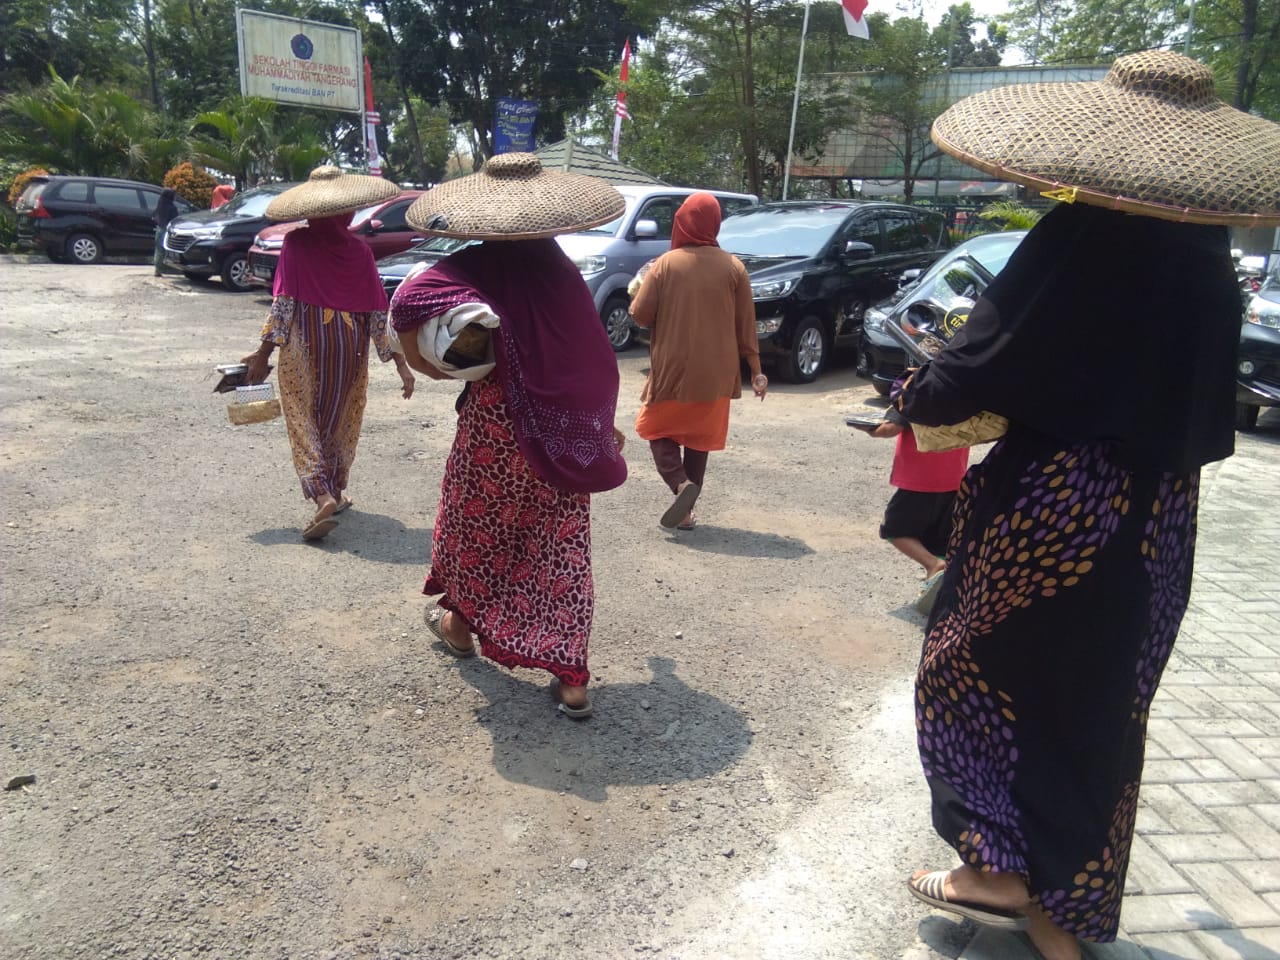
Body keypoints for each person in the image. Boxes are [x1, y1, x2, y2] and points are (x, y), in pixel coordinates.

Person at [895, 51, 1280, 960]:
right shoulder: (1209, 266)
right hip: (1158, 519)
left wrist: (920, 405)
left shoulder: (1082, 238)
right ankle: (1061, 923)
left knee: (970, 670)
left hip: (1056, 505)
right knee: (1102, 707)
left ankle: (995, 861)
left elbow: (980, 361)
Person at [390, 153, 628, 719]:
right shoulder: (562, 273)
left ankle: (458, 625)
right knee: (559, 547)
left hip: (497, 430)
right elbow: (593, 360)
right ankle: (571, 679)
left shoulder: (472, 266)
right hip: (563, 437)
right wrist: (598, 425)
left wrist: (428, 364)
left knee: (476, 529)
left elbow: (405, 302)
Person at [241, 166, 416, 541]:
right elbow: (375, 313)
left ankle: (321, 493)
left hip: (305, 339)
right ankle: (335, 489)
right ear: (346, 212)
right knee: (341, 413)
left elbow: (283, 306)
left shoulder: (296, 244)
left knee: (302, 416)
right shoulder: (360, 251)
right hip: (349, 342)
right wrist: (400, 362)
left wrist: (262, 354)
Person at [628, 192, 765, 531]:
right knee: (698, 438)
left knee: (654, 427)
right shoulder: (735, 267)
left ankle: (680, 485)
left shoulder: (665, 264)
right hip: (719, 372)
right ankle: (686, 513)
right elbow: (746, 325)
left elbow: (641, 316)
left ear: (682, 222)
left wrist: (639, 289)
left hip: (674, 369)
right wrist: (757, 372)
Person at [863, 408, 967, 614]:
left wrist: (870, 428)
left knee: (894, 530)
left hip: (919, 479)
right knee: (938, 536)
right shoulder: (965, 392)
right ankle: (941, 587)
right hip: (954, 476)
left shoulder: (916, 392)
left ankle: (933, 566)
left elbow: (890, 429)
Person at [153, 187, 178, 277]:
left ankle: (157, 269)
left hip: (159, 229)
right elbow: (175, 220)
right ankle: (162, 268)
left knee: (158, 250)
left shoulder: (160, 205)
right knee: (163, 250)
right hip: (167, 231)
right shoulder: (172, 207)